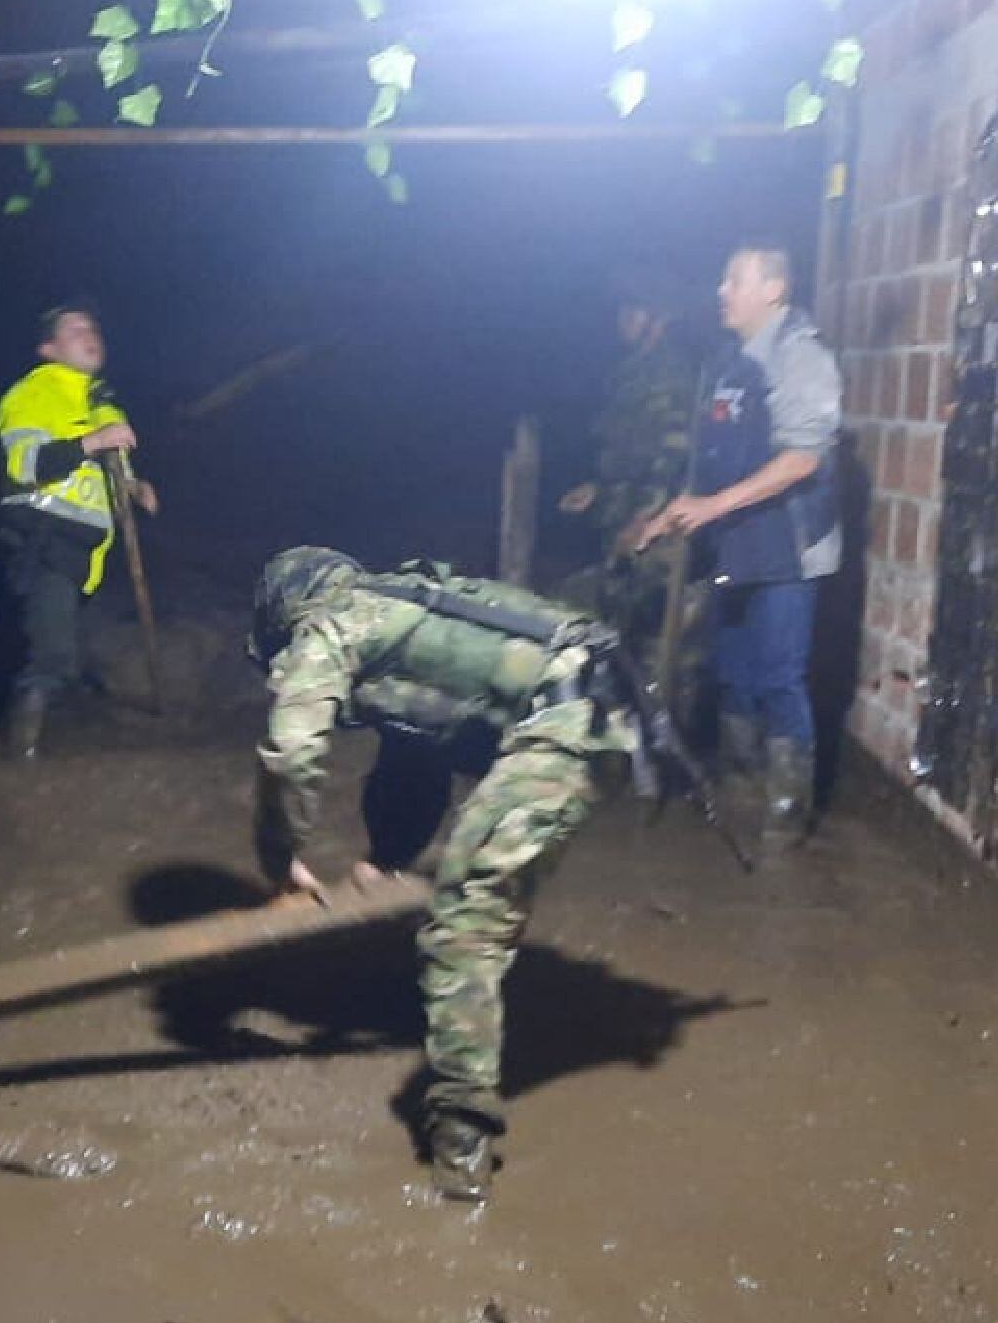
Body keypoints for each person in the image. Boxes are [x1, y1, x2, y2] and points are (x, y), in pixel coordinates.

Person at [248, 548, 637, 1204]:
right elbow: (415, 749)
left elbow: (290, 752)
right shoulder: (398, 607)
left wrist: (279, 860)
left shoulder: (330, 626)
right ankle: (434, 1006)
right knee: (412, 751)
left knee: (466, 919)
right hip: (595, 695)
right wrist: (386, 861)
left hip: (571, 720)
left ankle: (462, 1147)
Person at [639, 242, 842, 853]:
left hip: (788, 548)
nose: (721, 291)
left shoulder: (801, 357)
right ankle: (741, 787)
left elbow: (803, 459)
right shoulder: (729, 363)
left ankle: (785, 813)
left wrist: (713, 508)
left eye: (735, 280)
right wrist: (674, 513)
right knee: (733, 672)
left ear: (773, 289)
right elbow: (711, 460)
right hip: (735, 544)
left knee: (779, 677)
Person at [0, 304, 158, 757]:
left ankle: (64, 728)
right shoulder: (32, 394)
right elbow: (26, 466)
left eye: (94, 328)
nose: (91, 335)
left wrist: (133, 487)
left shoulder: (103, 403)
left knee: (68, 646)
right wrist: (94, 441)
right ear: (48, 348)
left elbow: (109, 472)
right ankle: (16, 752)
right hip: (43, 540)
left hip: (86, 551)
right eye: (76, 329)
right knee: (52, 654)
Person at [558, 270, 701, 661]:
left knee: (645, 633)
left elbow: (674, 453)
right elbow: (630, 450)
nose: (622, 318)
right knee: (614, 627)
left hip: (650, 528)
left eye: (632, 309)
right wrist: (598, 491)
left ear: (658, 318)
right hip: (622, 513)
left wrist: (644, 519)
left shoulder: (669, 374)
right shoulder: (636, 372)